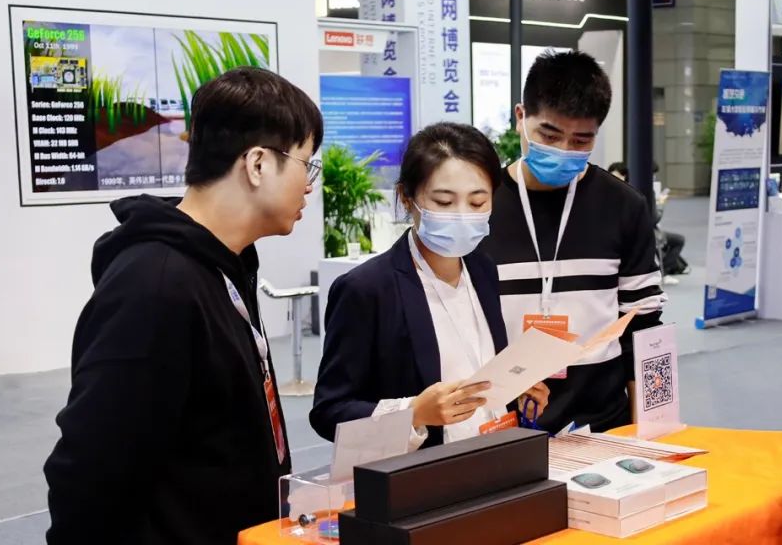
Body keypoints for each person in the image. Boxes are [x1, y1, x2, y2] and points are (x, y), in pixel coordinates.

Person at [44, 67, 322, 544]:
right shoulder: (156, 285)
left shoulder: (223, 265)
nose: (309, 185)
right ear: (257, 164)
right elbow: (89, 472)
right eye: (305, 164)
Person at [311, 123, 549, 449]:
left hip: (494, 456)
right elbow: (330, 411)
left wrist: (515, 393)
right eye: (444, 202)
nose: (462, 215)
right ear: (406, 198)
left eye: (477, 202)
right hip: (419, 470)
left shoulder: (483, 268)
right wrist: (413, 413)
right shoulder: (366, 289)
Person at [482, 51, 666, 434]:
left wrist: (649, 432)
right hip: (500, 426)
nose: (564, 150)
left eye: (581, 140)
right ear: (520, 116)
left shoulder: (624, 206)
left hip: (602, 423)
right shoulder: (482, 204)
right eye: (549, 136)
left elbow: (644, 326)